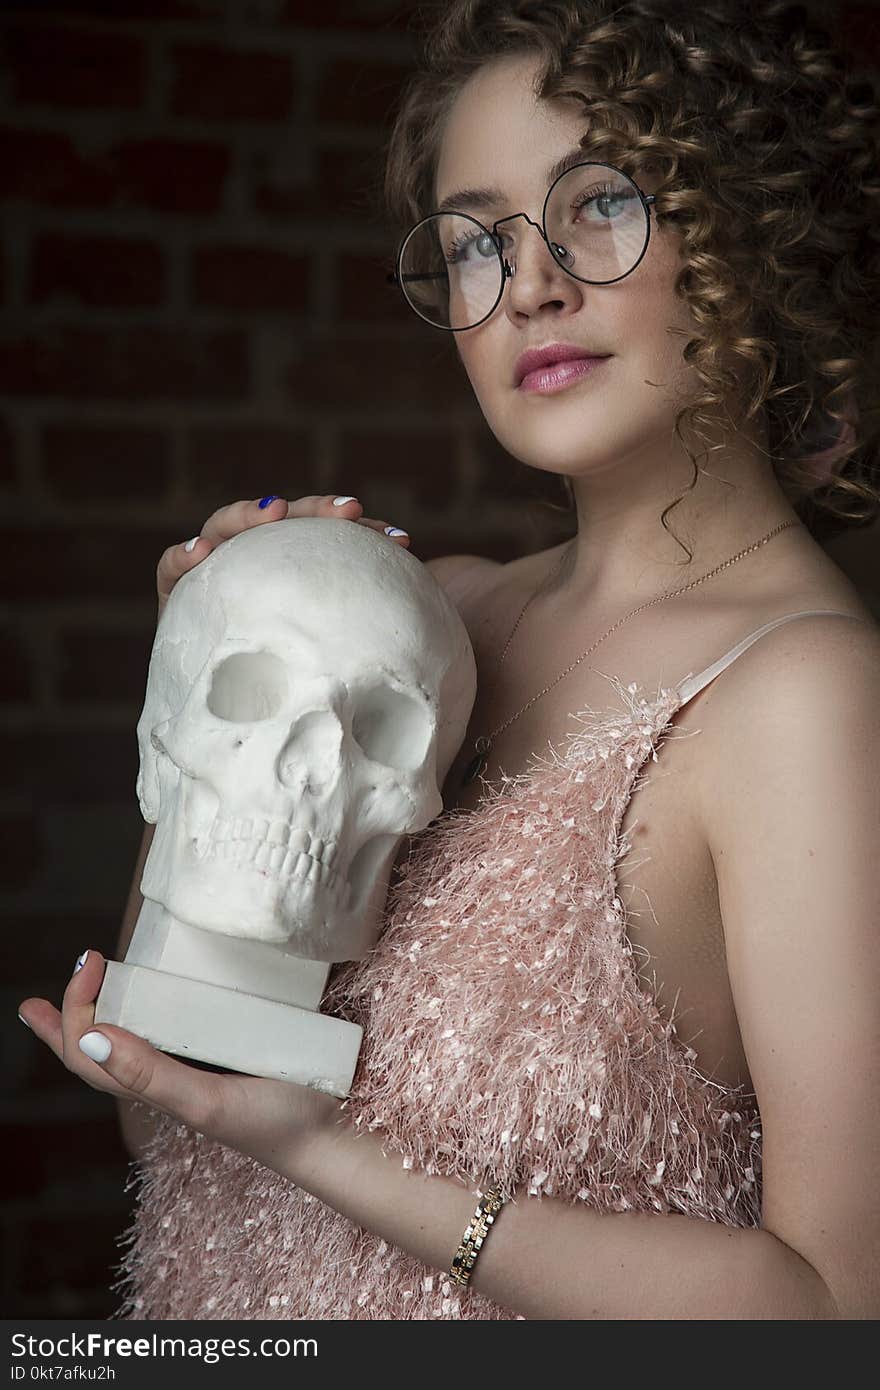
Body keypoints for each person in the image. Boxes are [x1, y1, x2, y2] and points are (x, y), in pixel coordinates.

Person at [19, 0, 880, 1319]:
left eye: (602, 203)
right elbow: (177, 1119)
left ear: (754, 230)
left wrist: (331, 1156)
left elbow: (833, 1305)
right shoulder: (431, 623)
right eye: (476, 238)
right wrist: (212, 660)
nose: (530, 282)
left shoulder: (804, 698)